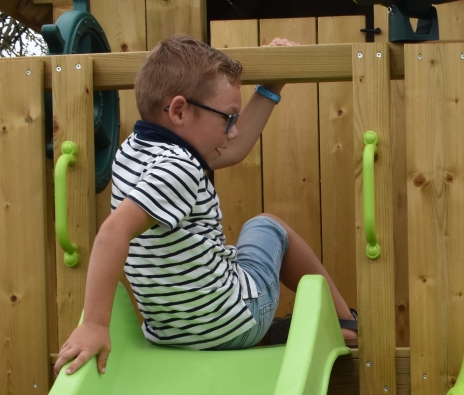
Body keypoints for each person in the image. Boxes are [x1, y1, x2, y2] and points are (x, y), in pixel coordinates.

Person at [54, 35, 356, 376]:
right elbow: (113, 233)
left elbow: (233, 149)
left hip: (171, 335)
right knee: (268, 226)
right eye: (228, 118)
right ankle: (345, 323)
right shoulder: (179, 168)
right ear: (180, 111)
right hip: (232, 322)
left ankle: (270, 330)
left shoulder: (132, 151)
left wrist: (270, 88)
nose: (233, 131)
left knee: (223, 255)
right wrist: (94, 324)